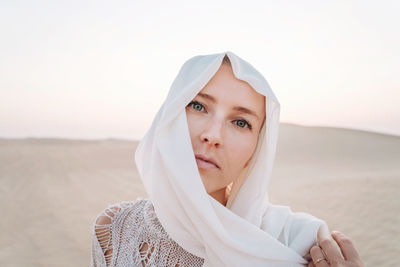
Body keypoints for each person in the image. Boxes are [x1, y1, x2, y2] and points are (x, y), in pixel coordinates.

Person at [90, 51, 364, 267]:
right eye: (198, 106)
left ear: (256, 152)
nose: (213, 135)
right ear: (169, 118)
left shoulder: (300, 243)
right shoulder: (116, 229)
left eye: (241, 122)